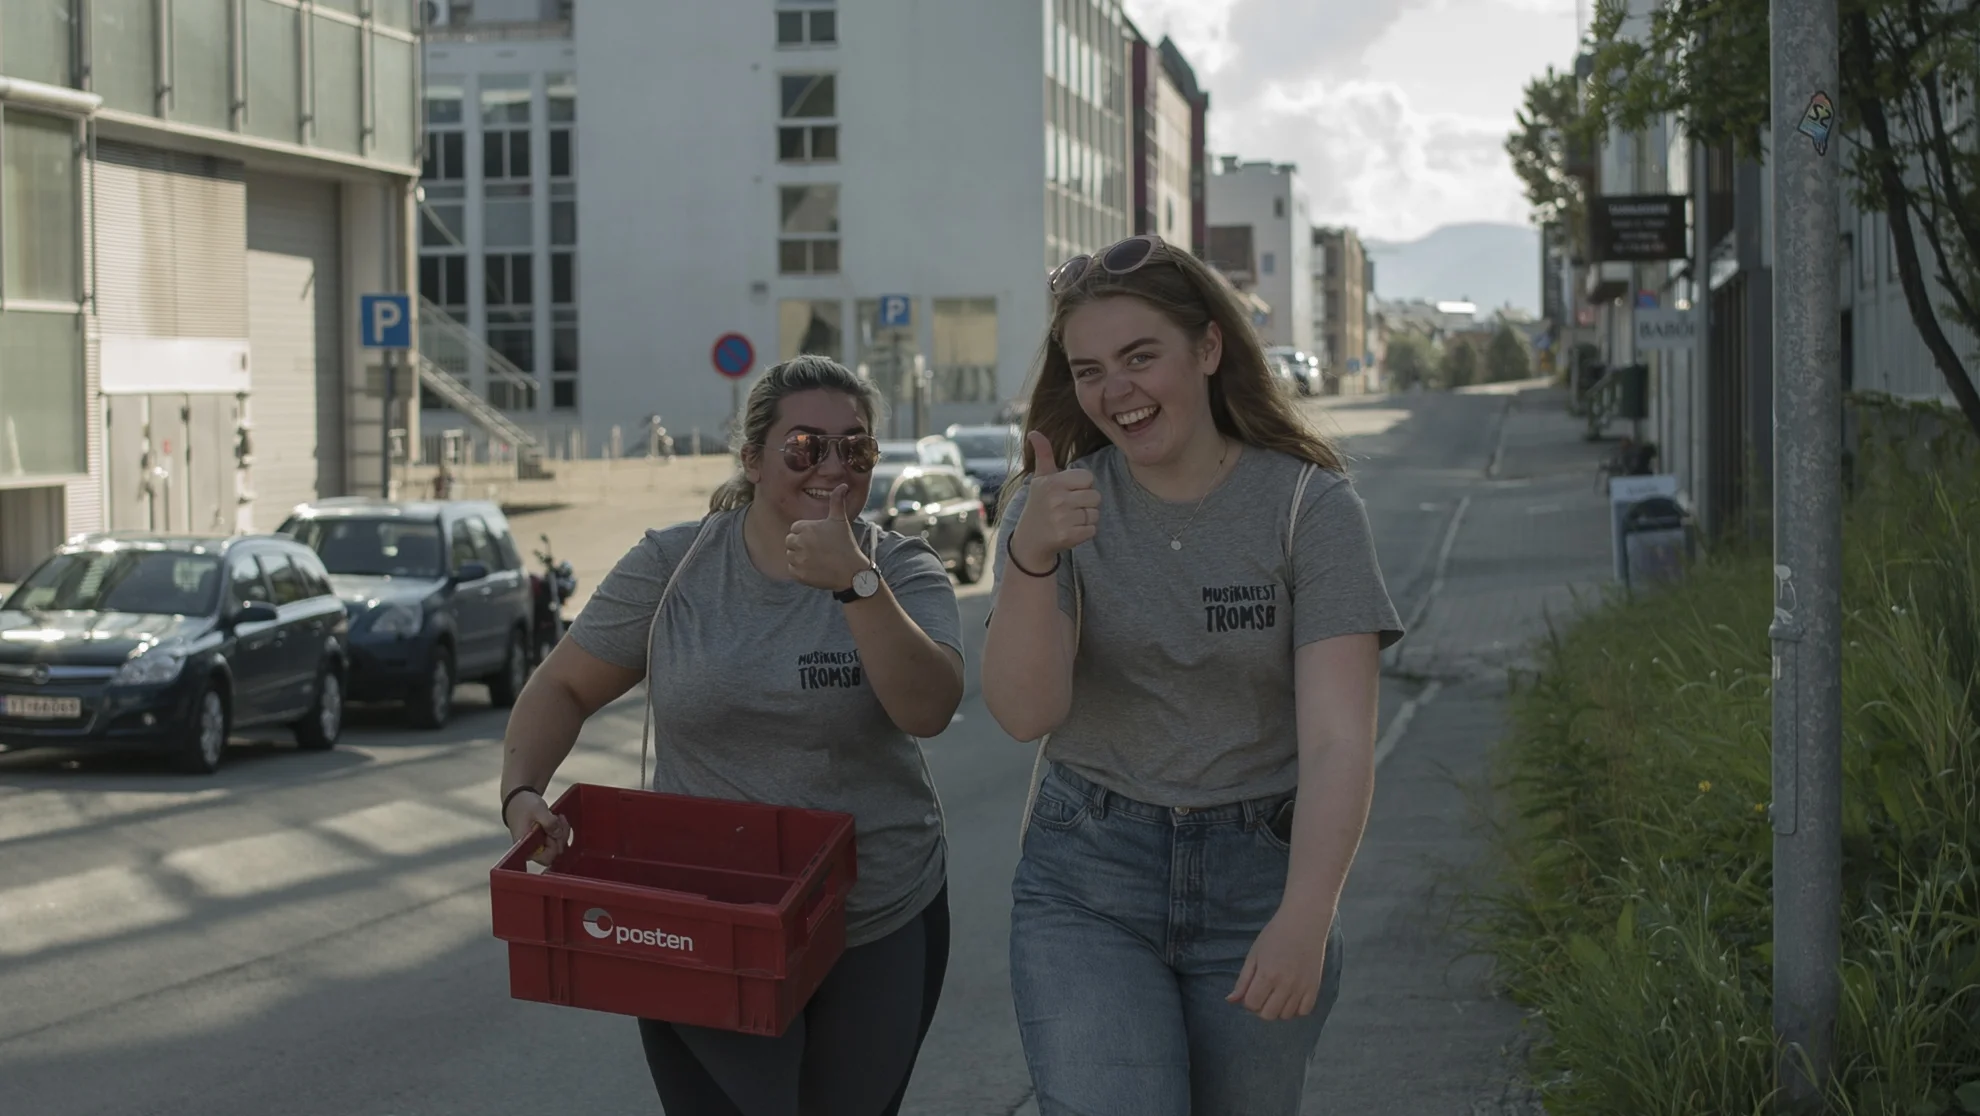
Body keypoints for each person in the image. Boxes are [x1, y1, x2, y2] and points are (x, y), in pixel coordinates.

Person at [981, 234, 1404, 1115]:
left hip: (1262, 876)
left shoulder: (1308, 510)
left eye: (1141, 357)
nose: (1116, 392)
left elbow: (1336, 741)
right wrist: (1028, 554)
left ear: (1208, 349)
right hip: (1088, 878)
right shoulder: (1053, 507)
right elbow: (1026, 713)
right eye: (1090, 370)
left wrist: (1306, 914)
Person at [499, 355, 964, 1116]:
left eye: (857, 448)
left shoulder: (899, 568)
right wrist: (522, 792)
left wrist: (855, 583)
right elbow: (562, 685)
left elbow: (929, 708)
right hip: (706, 926)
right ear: (752, 460)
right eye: (806, 446)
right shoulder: (673, 565)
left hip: (873, 914)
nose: (834, 467)